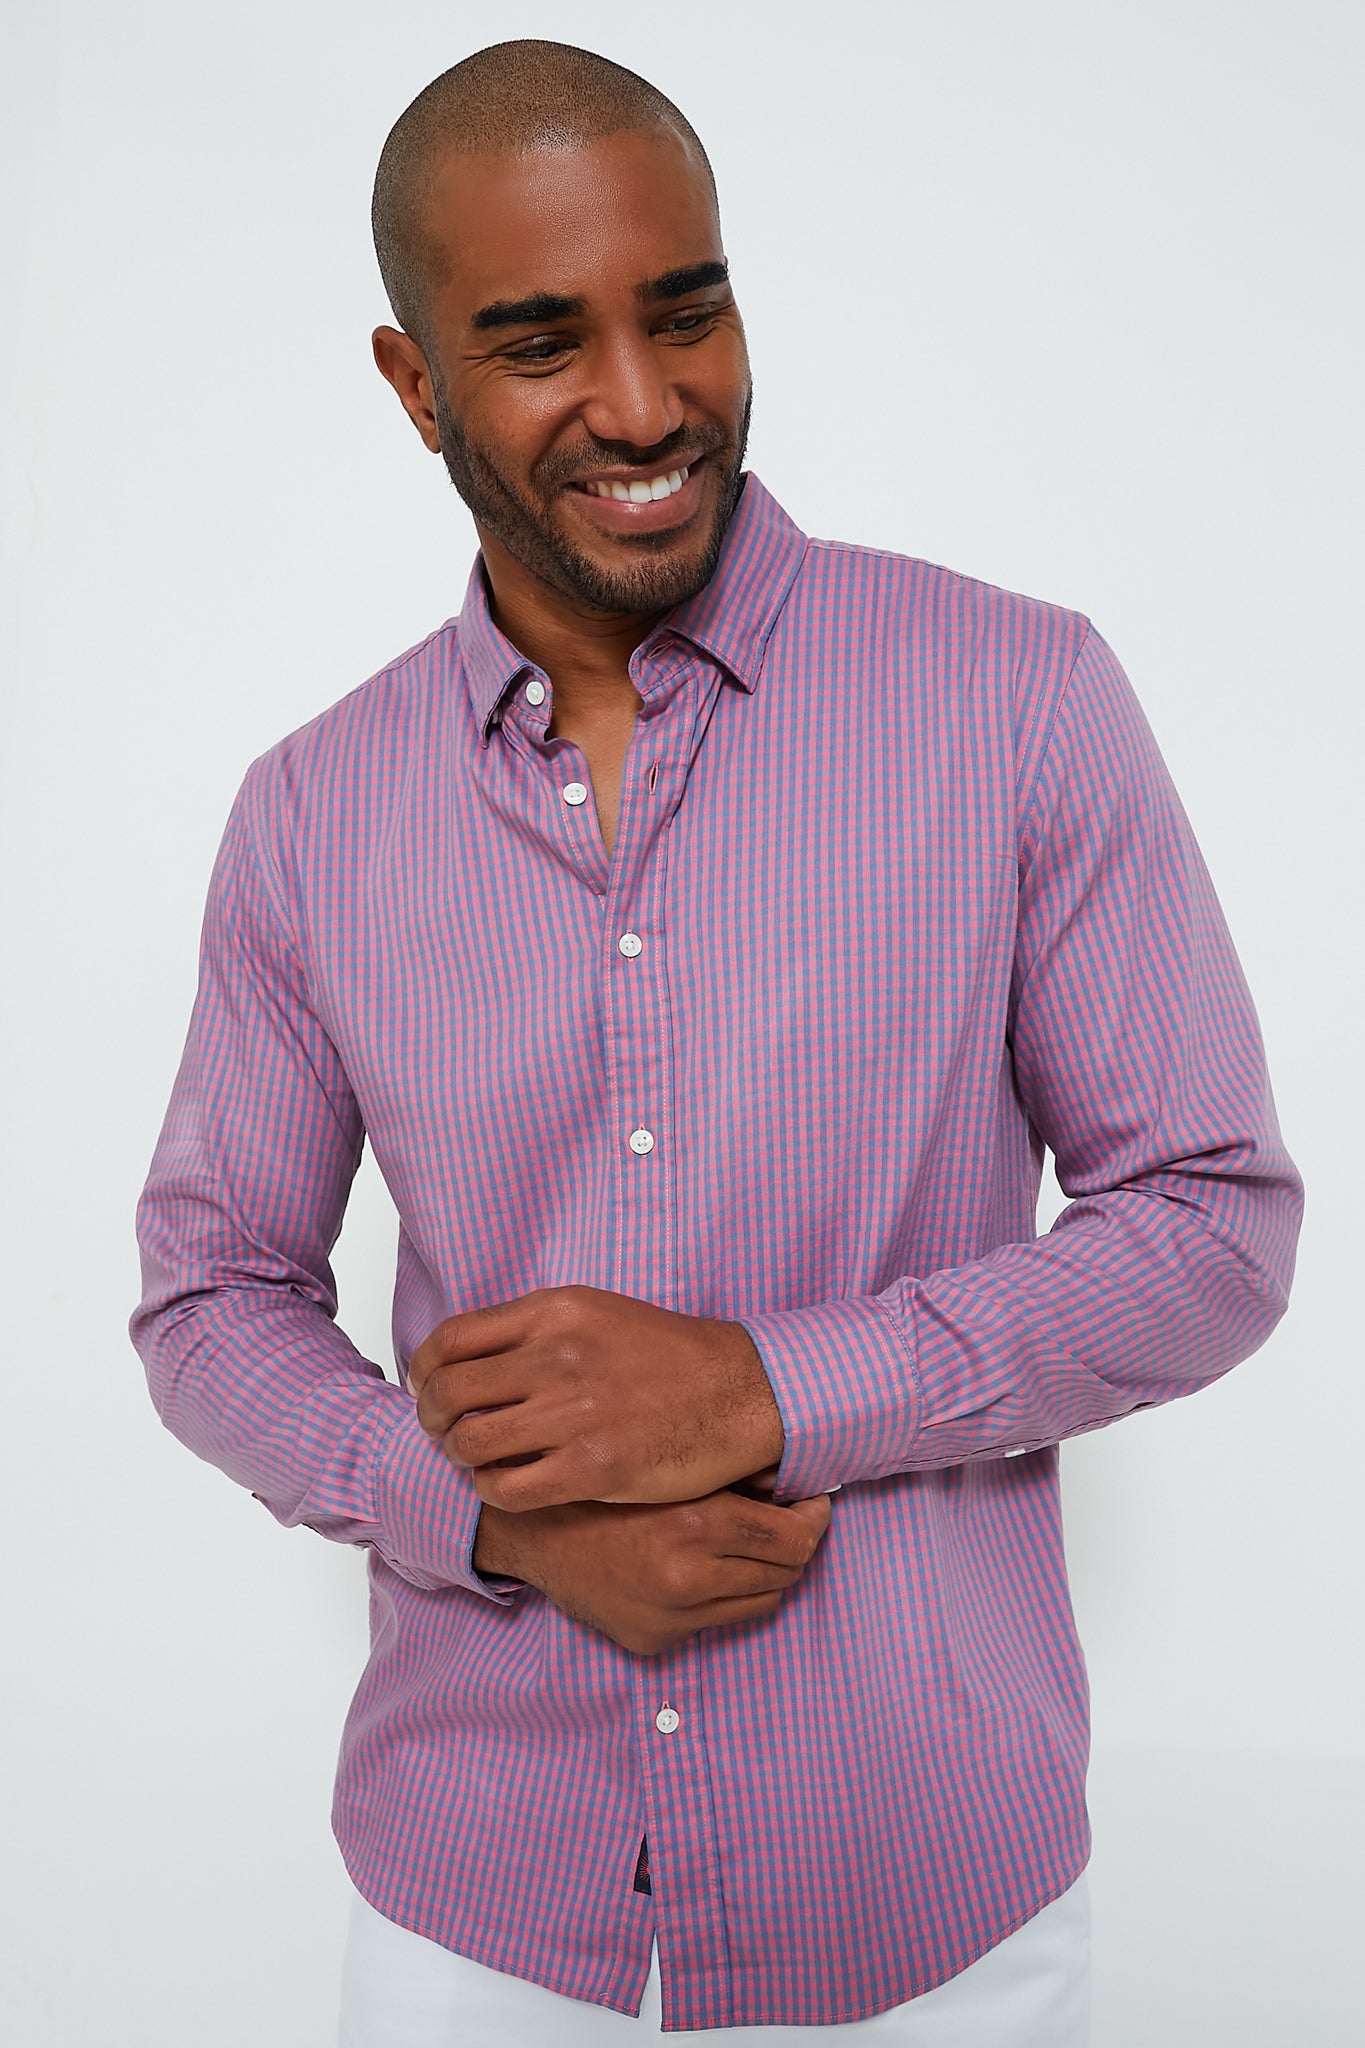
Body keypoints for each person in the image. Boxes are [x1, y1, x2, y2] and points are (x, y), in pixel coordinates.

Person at [131, 38, 1303, 2047]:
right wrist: (490, 1518)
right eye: (538, 343)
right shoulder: (311, 814)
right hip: (479, 1923)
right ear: (414, 382)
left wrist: (764, 1389)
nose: (643, 402)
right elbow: (208, 1298)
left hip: (928, 1915)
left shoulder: (1013, 698)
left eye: (685, 311)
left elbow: (1210, 1224)